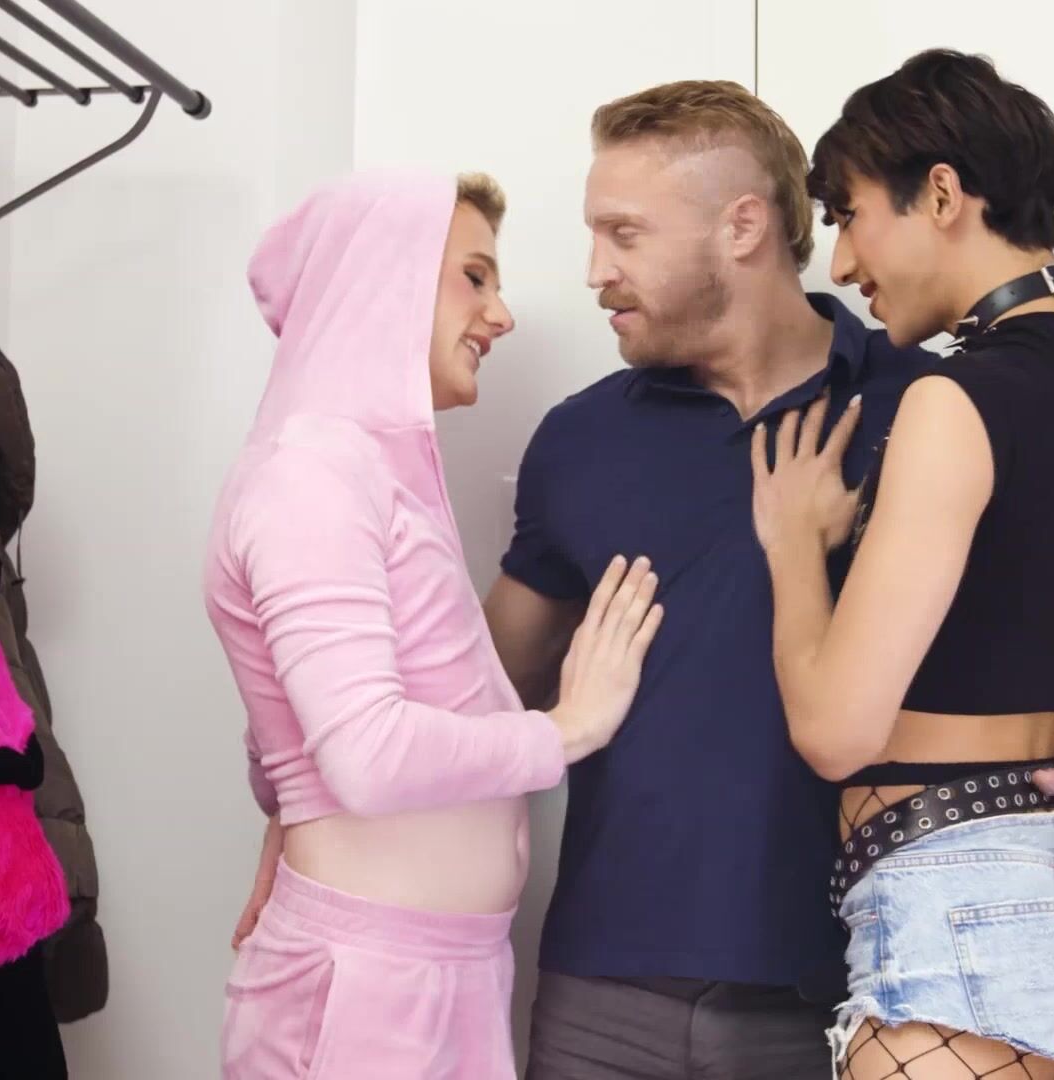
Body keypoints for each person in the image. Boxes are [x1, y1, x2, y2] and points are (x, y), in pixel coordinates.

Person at [484, 80, 1054, 1080]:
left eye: (622, 233)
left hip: (850, 982)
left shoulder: (938, 403)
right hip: (604, 990)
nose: (595, 271)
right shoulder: (578, 440)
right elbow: (480, 697)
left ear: (741, 226)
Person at [749, 50, 1054, 1079]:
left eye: (852, 215)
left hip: (960, 914)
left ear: (942, 195)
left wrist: (793, 548)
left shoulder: (952, 403)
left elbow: (835, 731)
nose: (841, 263)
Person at [205, 169, 663, 1080]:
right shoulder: (311, 479)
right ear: (383, 276)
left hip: (429, 973)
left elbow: (299, 724)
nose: (501, 315)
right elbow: (367, 756)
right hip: (369, 985)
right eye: (474, 277)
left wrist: (290, 801)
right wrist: (567, 730)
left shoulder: (364, 475)